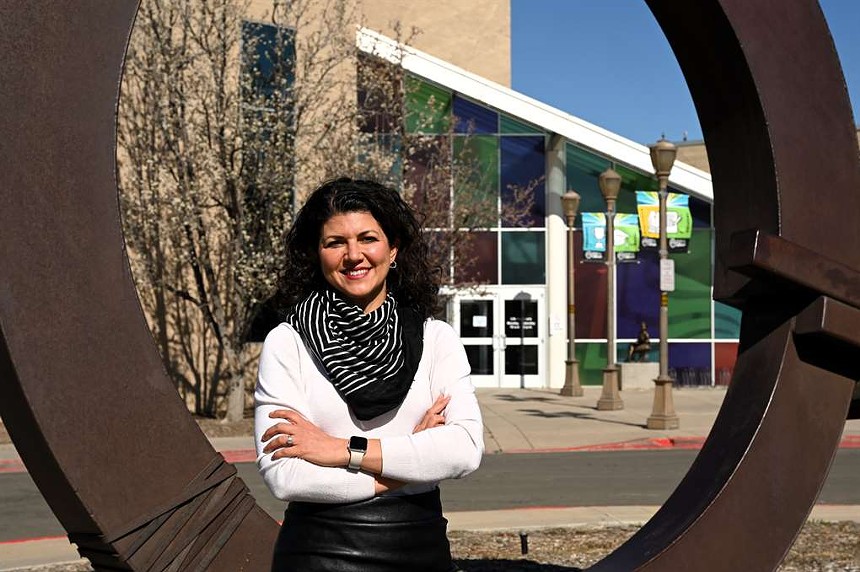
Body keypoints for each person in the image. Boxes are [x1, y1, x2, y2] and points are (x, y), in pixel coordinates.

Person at [254, 177, 484, 571]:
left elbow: (463, 449)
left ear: (393, 249)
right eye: (335, 243)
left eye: (367, 239)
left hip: (420, 547)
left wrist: (342, 449)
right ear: (317, 253)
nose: (353, 255)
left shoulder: (435, 338)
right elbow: (286, 476)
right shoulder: (287, 342)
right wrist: (409, 459)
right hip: (319, 552)